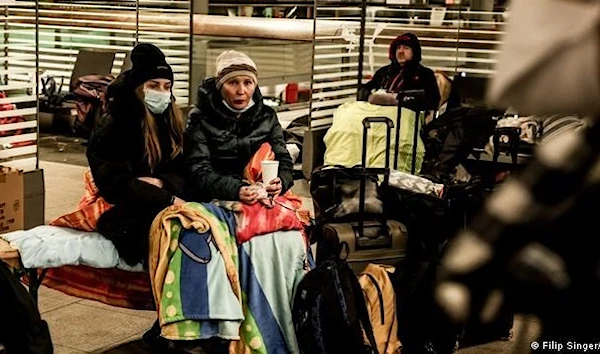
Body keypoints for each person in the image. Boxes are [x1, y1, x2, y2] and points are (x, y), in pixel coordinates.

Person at [86, 43, 186, 266]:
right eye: (154, 85)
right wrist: (167, 197)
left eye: (166, 86)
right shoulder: (114, 124)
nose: (161, 92)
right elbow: (115, 184)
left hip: (160, 202)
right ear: (138, 87)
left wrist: (159, 183)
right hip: (127, 212)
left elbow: (183, 169)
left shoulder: (170, 121)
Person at [184, 50, 294, 203]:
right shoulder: (200, 118)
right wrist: (237, 189)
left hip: (261, 192)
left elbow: (283, 158)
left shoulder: (267, 116)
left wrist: (281, 182)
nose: (241, 91)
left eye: (248, 83)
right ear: (220, 86)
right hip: (215, 197)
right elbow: (198, 170)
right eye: (233, 82)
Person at [358, 32, 441, 113]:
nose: (401, 51)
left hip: (403, 118)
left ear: (414, 52)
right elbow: (367, 88)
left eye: (406, 48)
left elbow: (433, 101)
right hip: (374, 114)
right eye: (398, 48)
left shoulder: (425, 74)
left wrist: (400, 100)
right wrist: (366, 94)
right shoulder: (383, 72)